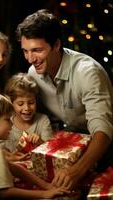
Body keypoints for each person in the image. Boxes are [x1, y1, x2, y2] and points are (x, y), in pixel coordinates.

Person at [16, 9, 113, 191]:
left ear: (56, 45)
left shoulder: (88, 72)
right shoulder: (33, 73)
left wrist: (76, 171)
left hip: (106, 147)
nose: (30, 59)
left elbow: (103, 130)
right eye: (25, 51)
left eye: (37, 50)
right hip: (72, 147)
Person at [0, 91, 68, 200]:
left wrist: (46, 186)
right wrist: (45, 194)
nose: (12, 124)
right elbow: (5, 193)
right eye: (7, 120)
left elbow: (13, 167)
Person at [0, 72, 53, 161]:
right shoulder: (6, 123)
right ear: (11, 104)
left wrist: (40, 142)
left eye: (31, 102)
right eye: (20, 104)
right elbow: (0, 150)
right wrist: (9, 156)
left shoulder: (43, 120)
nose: (27, 108)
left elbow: (51, 150)